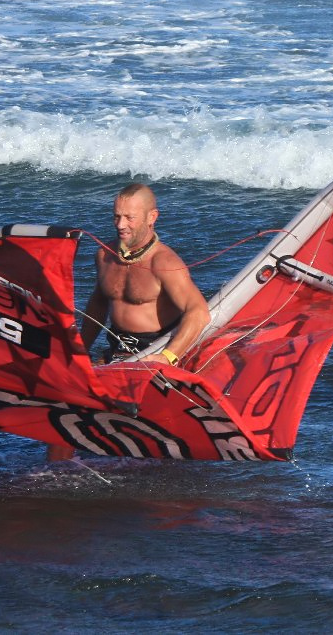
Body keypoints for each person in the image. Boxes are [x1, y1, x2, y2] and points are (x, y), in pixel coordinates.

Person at [47, 183, 211, 462]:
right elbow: (98, 304)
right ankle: (54, 475)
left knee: (146, 433)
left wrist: (168, 357)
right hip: (119, 352)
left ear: (151, 217)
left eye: (129, 218)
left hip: (155, 351)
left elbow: (199, 313)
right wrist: (79, 351)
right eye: (116, 216)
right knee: (65, 403)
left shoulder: (164, 262)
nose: (120, 225)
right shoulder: (104, 255)